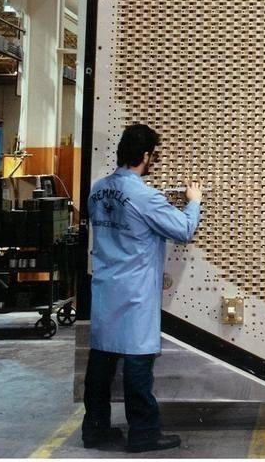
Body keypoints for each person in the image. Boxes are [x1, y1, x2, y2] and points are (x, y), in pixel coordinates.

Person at [81, 124, 203, 453]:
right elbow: (183, 229)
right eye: (154, 156)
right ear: (146, 156)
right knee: (137, 365)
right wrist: (193, 202)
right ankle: (144, 434)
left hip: (105, 288)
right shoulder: (145, 196)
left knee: (101, 362)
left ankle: (95, 430)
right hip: (135, 293)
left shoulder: (98, 190)